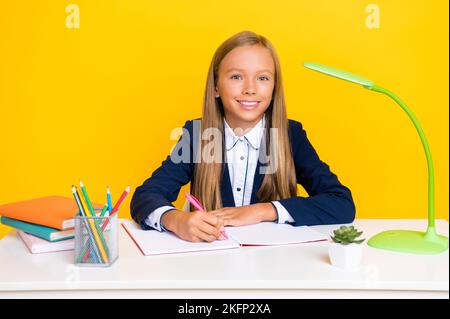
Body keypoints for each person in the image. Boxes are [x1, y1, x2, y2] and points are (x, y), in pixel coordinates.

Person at [130, 30, 355, 242]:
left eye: (263, 78)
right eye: (237, 77)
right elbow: (145, 196)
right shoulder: (198, 136)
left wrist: (263, 211)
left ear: (274, 87)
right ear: (216, 87)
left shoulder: (289, 136)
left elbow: (341, 203)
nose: (250, 89)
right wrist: (176, 220)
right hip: (212, 263)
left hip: (276, 267)